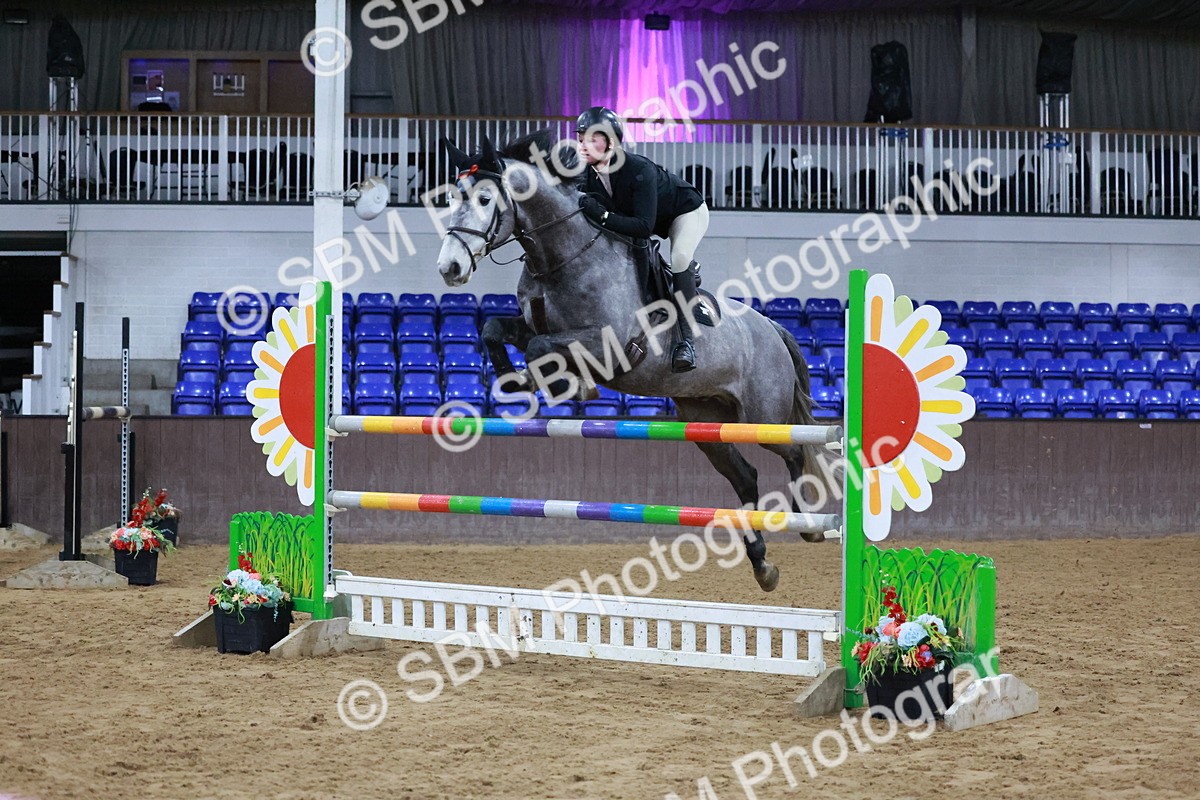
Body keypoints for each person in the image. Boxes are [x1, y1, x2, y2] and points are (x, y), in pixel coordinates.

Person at [574, 106, 712, 373]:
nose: (584, 146)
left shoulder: (638, 169)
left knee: (680, 255)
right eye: (581, 140)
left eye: (592, 139)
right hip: (647, 220)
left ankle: (686, 343)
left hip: (685, 211)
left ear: (611, 142)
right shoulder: (588, 176)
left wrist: (601, 215)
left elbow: (642, 226)